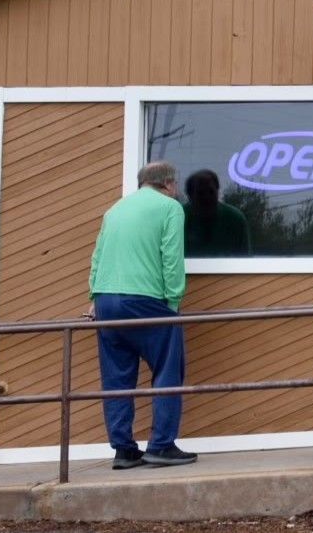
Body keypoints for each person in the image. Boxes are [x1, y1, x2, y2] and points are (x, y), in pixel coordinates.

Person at [88, 160, 195, 469]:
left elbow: (97, 256)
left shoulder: (115, 209)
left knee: (117, 378)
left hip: (106, 300)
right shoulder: (169, 207)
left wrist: (95, 297)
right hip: (145, 300)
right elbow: (171, 258)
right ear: (170, 184)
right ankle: (161, 445)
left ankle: (124, 450)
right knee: (167, 370)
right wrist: (173, 302)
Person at [183, 169, 252, 256]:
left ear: (218, 191)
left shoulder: (234, 219)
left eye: (211, 192)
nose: (207, 198)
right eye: (201, 193)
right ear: (190, 196)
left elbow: (245, 261)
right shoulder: (176, 219)